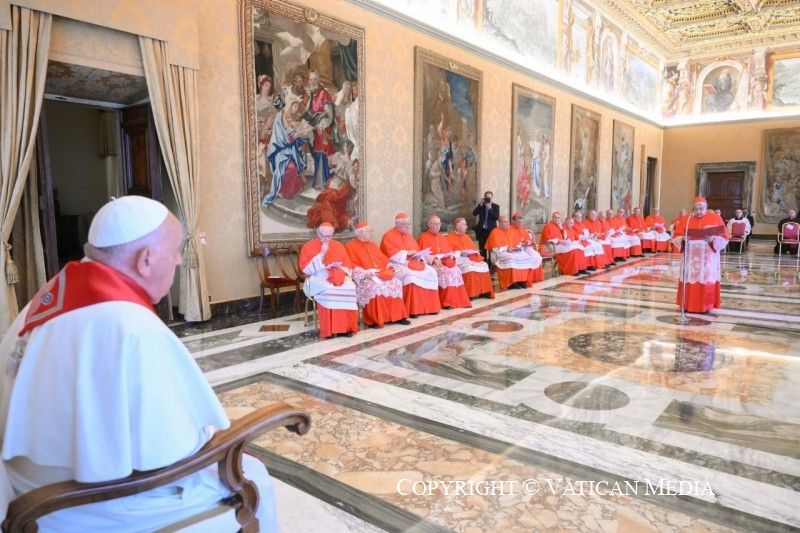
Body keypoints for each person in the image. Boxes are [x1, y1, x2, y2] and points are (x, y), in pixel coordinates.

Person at [0, 196, 279, 531]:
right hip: (91, 506)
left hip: (25, 486)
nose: (178, 261)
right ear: (146, 260)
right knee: (255, 479)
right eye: (174, 250)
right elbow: (176, 450)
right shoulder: (130, 326)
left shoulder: (44, 300)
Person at [345, 222, 410, 329]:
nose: (371, 233)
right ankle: (374, 320)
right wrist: (365, 274)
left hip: (380, 273)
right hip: (365, 277)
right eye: (369, 231)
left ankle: (398, 316)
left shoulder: (373, 245)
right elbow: (351, 266)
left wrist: (390, 267)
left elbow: (383, 259)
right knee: (375, 287)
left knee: (396, 283)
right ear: (361, 233)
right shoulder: (350, 246)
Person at [300, 223, 359, 339]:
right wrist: (321, 254)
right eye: (325, 236)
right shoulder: (308, 246)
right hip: (318, 277)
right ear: (318, 234)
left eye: (330, 236)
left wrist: (338, 271)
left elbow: (347, 264)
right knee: (327, 291)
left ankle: (345, 328)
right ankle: (329, 330)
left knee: (349, 287)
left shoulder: (338, 246)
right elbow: (306, 269)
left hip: (336, 275)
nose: (327, 239)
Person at [672, 197, 729, 314]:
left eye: (701, 209)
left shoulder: (715, 218)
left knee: (706, 278)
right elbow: (675, 236)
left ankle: (706, 306)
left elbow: (724, 237)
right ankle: (688, 305)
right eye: (696, 209)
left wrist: (713, 239)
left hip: (708, 257)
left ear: (706, 208)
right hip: (690, 257)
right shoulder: (687, 219)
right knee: (690, 278)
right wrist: (682, 238)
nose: (698, 212)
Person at [380, 213, 442, 318]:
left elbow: (417, 251)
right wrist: (406, 253)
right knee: (411, 276)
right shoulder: (388, 235)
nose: (408, 227)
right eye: (405, 224)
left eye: (409, 224)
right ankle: (414, 309)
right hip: (399, 264)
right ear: (397, 224)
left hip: (414, 262)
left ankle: (431, 307)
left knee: (431, 271)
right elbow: (388, 253)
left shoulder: (409, 236)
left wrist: (418, 256)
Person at [262, 96, 312, 205]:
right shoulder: (280, 118)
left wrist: (303, 134)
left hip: (290, 150)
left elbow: (294, 136)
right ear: (289, 106)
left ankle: (287, 188)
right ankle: (283, 191)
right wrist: (295, 136)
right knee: (291, 168)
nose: (295, 109)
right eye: (294, 106)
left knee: (296, 162)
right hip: (279, 151)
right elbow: (281, 139)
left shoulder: (292, 118)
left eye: (297, 107)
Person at [417, 216, 471, 310]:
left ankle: (460, 300)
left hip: (445, 261)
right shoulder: (423, 238)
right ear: (429, 225)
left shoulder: (442, 237)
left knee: (456, 270)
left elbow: (449, 251)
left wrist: (451, 256)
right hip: (433, 264)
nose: (438, 226)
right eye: (436, 224)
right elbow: (422, 255)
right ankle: (447, 302)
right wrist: (433, 260)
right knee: (446, 272)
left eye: (439, 224)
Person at [445, 217, 494, 299]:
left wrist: (474, 252)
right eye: (464, 224)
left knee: (484, 265)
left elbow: (473, 249)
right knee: (469, 268)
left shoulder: (466, 237)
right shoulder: (449, 237)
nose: (466, 226)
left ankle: (485, 291)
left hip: (469, 258)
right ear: (458, 227)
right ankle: (470, 293)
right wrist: (460, 253)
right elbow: (448, 252)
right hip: (459, 259)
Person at [305, 70, 337, 189]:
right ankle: (319, 182)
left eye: (314, 80)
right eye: (311, 80)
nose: (312, 82)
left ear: (318, 81)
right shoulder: (312, 95)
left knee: (324, 154)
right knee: (317, 154)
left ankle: (326, 182)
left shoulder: (324, 94)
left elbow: (329, 114)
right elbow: (310, 112)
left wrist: (322, 125)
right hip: (315, 132)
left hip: (323, 131)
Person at [485, 216, 537, 289]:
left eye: (508, 222)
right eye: (505, 222)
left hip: (512, 251)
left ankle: (521, 280)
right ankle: (511, 283)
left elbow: (516, 242)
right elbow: (495, 248)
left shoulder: (510, 231)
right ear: (499, 223)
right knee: (512, 259)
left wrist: (517, 247)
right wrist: (506, 249)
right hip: (501, 253)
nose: (507, 224)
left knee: (525, 257)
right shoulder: (495, 232)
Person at [508, 212, 544, 282]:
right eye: (518, 222)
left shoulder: (521, 228)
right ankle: (526, 278)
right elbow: (510, 242)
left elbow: (527, 238)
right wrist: (520, 244)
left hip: (525, 248)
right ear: (513, 221)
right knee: (527, 258)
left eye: (521, 222)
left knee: (536, 255)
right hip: (517, 249)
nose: (520, 224)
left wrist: (527, 241)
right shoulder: (509, 229)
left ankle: (535, 277)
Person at [472, 191, 500, 263]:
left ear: (492, 198)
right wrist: (480, 204)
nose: (488, 199)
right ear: (484, 198)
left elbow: (496, 217)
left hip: (491, 232)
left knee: (491, 250)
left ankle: (491, 268)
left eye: (489, 198)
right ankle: (484, 266)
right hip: (482, 231)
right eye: (487, 198)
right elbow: (474, 213)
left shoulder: (496, 206)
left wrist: (490, 208)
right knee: (482, 250)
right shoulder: (482, 206)